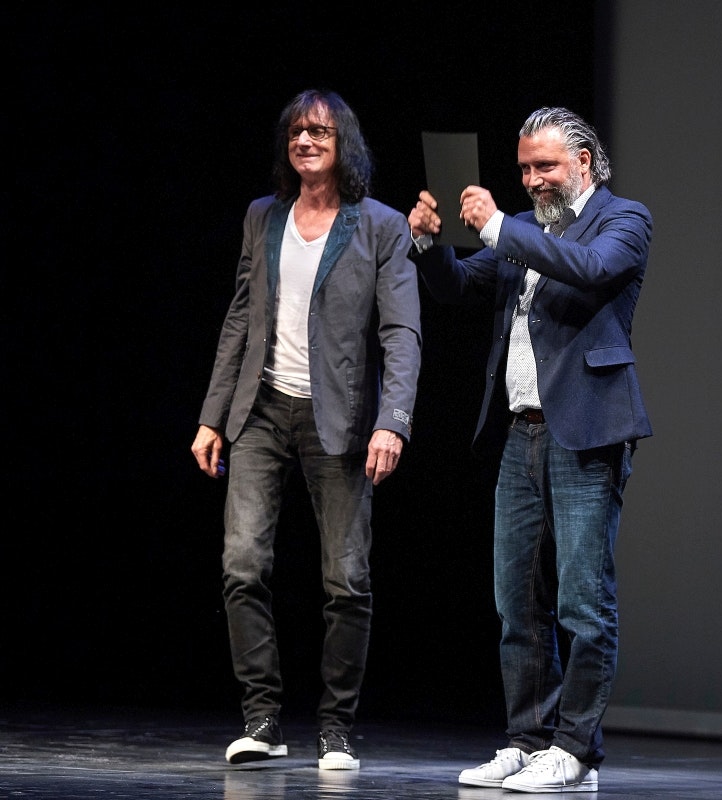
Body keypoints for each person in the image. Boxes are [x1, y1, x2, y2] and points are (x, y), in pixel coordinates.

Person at [407, 106, 652, 794]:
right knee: (517, 602)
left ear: (583, 161)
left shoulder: (623, 219)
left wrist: (496, 227)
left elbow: (591, 268)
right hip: (521, 433)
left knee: (583, 603)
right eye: (523, 169)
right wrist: (430, 245)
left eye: (545, 166)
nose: (533, 179)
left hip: (588, 431)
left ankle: (576, 751)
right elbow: (460, 287)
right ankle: (528, 739)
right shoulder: (523, 230)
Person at [190, 89, 422, 771]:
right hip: (259, 409)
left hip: (340, 418)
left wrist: (393, 422)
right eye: (296, 130)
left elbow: (401, 333)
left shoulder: (379, 225)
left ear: (342, 143)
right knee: (241, 565)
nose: (306, 140)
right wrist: (211, 416)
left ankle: (336, 728)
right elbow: (240, 316)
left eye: (319, 131)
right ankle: (262, 718)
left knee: (346, 578)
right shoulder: (263, 216)